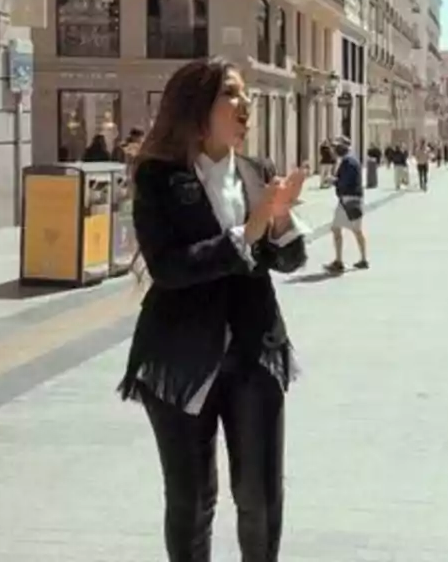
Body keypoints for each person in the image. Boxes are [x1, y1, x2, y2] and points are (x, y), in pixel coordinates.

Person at [117, 57, 309, 562]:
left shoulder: (256, 172)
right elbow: (169, 267)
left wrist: (282, 219)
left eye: (246, 95)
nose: (245, 105)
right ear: (198, 105)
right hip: (180, 358)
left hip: (255, 352)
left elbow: (286, 259)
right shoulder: (159, 177)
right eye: (231, 93)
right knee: (191, 501)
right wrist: (246, 232)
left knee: (262, 498)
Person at [326, 136, 369, 273]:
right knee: (342, 229)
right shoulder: (351, 159)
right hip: (350, 199)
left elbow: (344, 181)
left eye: (336, 147)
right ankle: (359, 259)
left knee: (344, 229)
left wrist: (333, 180)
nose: (334, 150)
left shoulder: (348, 161)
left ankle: (342, 261)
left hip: (349, 199)